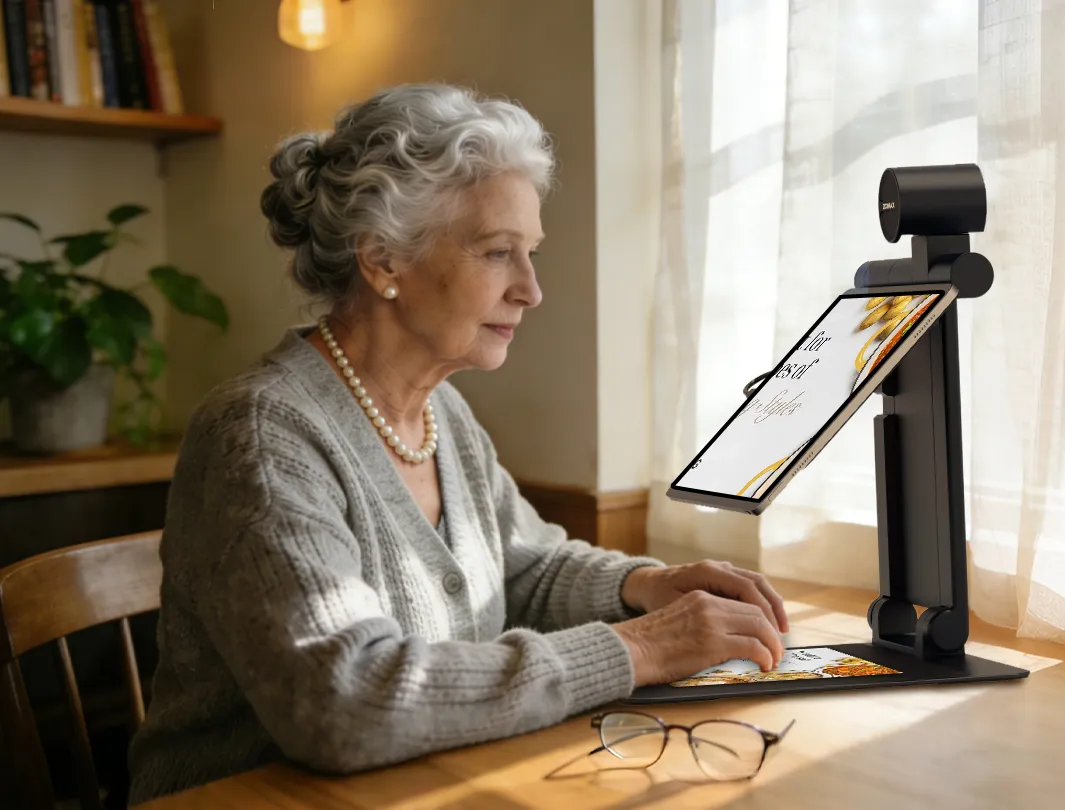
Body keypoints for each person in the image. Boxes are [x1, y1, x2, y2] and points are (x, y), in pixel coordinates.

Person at [126, 83, 789, 803]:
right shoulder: (261, 435)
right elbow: (344, 702)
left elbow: (521, 567)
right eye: (499, 252)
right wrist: (641, 647)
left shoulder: (440, 409)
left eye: (529, 253)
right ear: (383, 260)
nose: (531, 289)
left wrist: (646, 586)